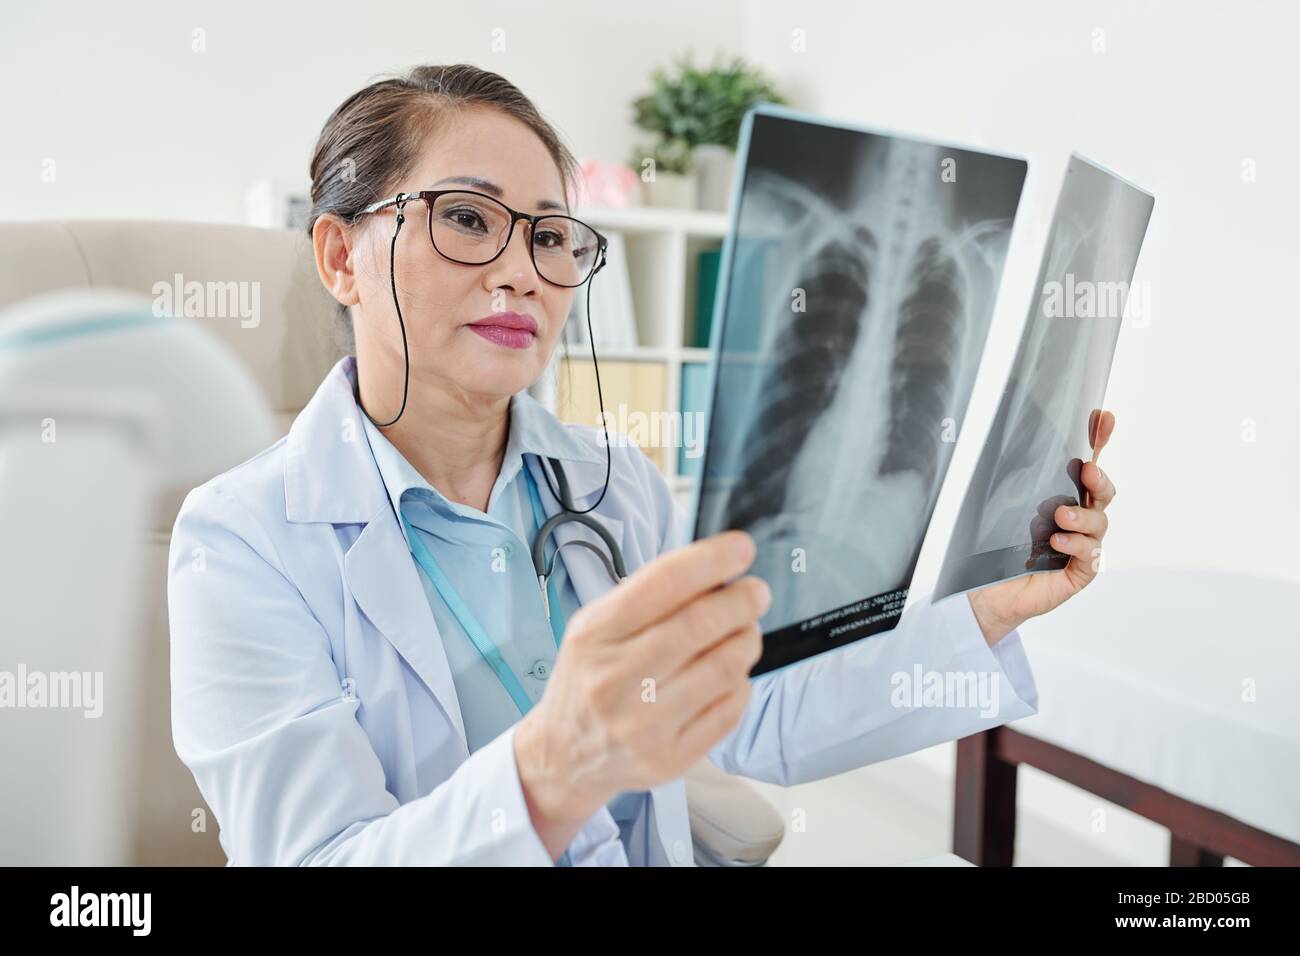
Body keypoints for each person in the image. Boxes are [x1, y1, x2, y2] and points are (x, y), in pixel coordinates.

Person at [167, 64, 1118, 866]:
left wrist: (991, 606)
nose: (519, 270)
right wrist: (557, 764)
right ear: (340, 256)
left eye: (547, 234)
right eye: (465, 218)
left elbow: (756, 714)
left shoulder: (612, 485)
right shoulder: (241, 541)